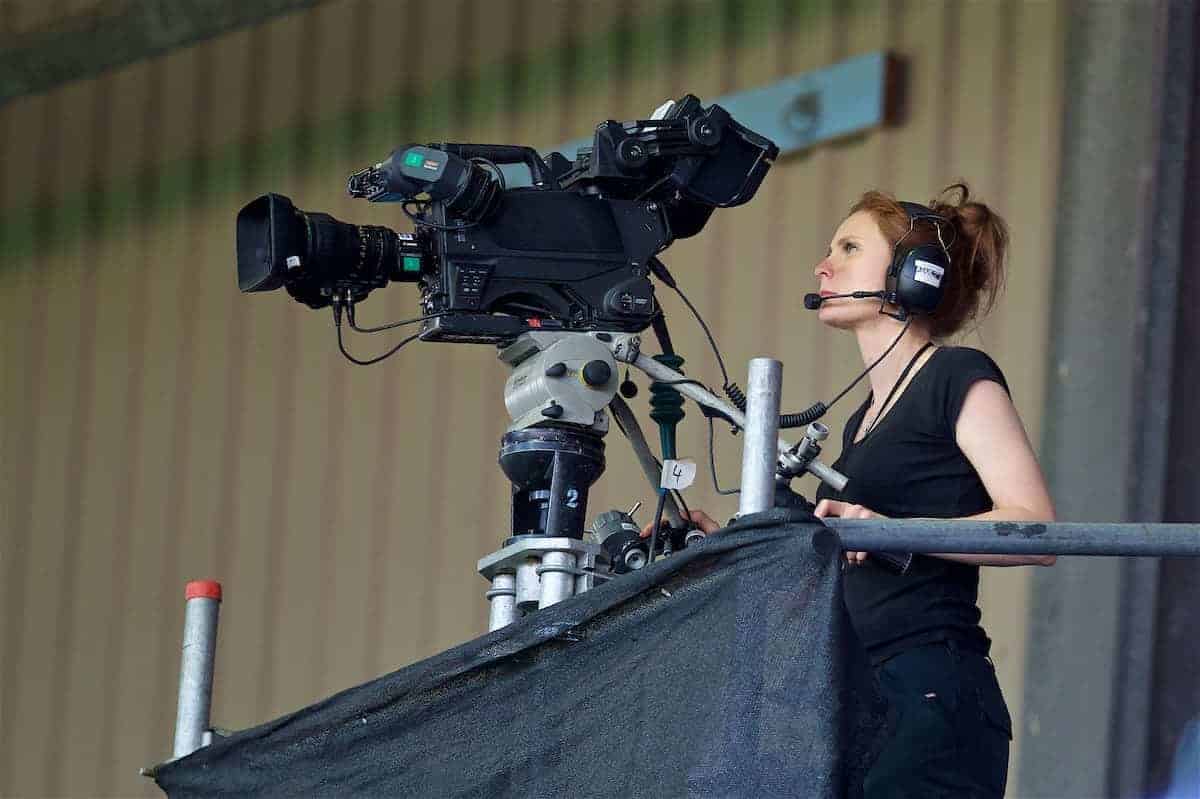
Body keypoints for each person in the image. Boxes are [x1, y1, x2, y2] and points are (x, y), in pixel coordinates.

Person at [652, 184, 1057, 798]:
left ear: (911, 276)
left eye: (848, 247)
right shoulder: (862, 417)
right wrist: (729, 543)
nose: (824, 265)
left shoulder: (955, 374)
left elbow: (1036, 529)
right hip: (868, 698)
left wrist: (884, 528)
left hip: (928, 691)